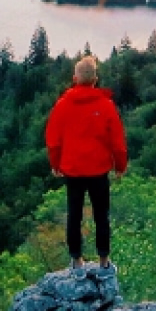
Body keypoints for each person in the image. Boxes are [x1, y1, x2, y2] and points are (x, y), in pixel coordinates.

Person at [45, 54, 128, 272]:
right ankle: (103, 261)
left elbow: (53, 140)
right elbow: (117, 142)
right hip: (99, 170)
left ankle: (77, 260)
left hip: (72, 170)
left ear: (75, 78)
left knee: (74, 214)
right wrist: (120, 166)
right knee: (102, 215)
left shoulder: (62, 105)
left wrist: (55, 164)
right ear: (95, 79)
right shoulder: (106, 105)